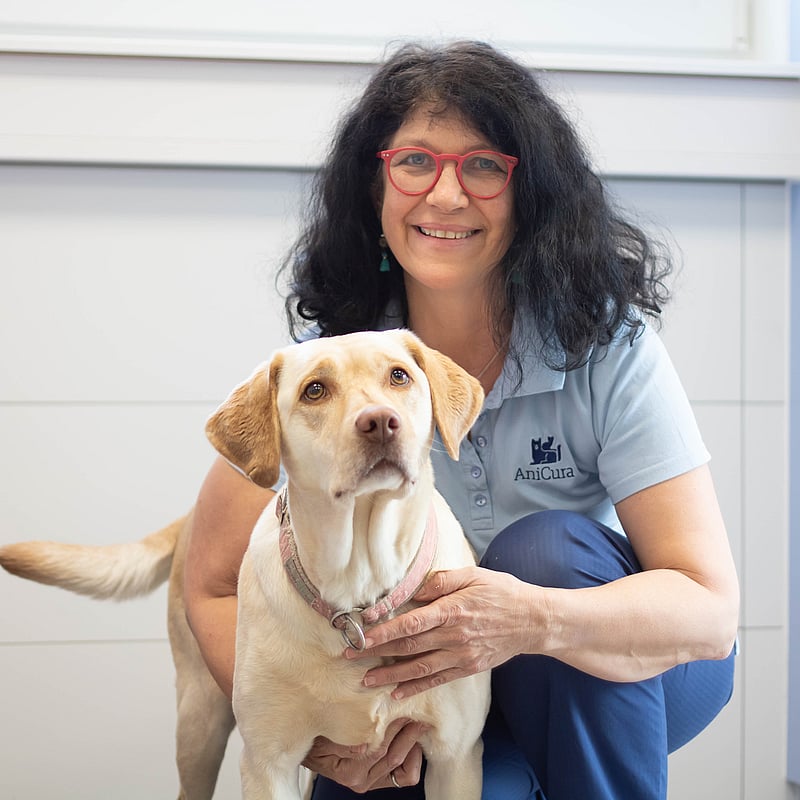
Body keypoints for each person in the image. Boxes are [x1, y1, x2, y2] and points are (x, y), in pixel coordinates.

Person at [184, 40, 739, 800]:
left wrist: (533, 619)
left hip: (612, 666)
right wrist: (305, 738)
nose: (445, 196)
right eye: (414, 162)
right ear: (375, 189)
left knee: (543, 549)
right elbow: (213, 586)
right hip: (436, 691)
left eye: (483, 166)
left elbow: (709, 612)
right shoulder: (326, 373)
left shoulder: (606, 347)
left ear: (529, 195)